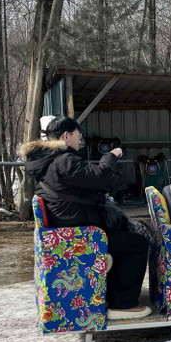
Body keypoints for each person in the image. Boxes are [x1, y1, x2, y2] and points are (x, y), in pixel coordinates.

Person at [21, 116, 152, 320]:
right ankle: (123, 304)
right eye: (77, 134)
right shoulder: (65, 160)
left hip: (68, 224)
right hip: (79, 231)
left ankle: (111, 295)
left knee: (124, 237)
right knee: (137, 244)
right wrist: (111, 156)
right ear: (66, 136)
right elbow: (101, 178)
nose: (80, 137)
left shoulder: (49, 161)